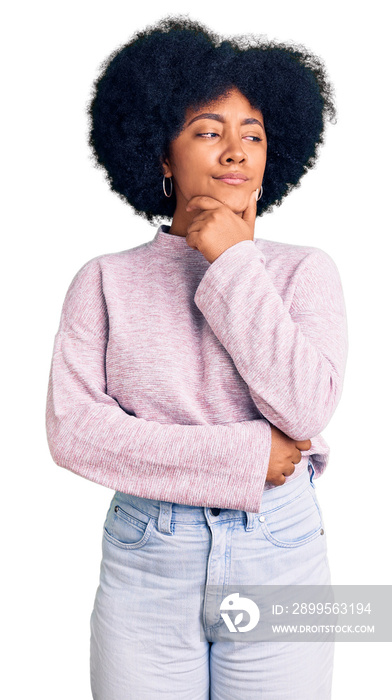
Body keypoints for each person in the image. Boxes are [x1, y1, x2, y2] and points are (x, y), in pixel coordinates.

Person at [45, 16, 348, 700]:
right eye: (209, 131)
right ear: (160, 154)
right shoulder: (103, 280)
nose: (235, 151)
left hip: (284, 551)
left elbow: (304, 407)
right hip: (147, 559)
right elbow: (73, 434)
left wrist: (234, 260)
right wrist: (244, 458)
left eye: (254, 135)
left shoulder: (306, 272)